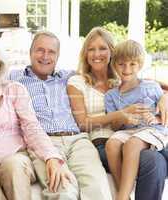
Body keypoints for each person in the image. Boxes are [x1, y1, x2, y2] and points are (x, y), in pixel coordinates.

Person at [0, 35, 78, 200]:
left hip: (16, 157)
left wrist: (52, 157)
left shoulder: (14, 90)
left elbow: (32, 128)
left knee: (13, 165)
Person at [67, 27, 168, 200]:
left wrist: (165, 97)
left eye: (102, 48)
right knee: (153, 161)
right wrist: (121, 114)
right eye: (91, 49)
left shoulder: (123, 77)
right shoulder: (77, 81)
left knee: (155, 157)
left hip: (138, 133)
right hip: (104, 141)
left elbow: (155, 87)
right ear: (85, 53)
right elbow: (83, 123)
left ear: (113, 53)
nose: (96, 54)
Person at [9, 31, 112, 200]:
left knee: (96, 187)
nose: (45, 56)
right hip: (44, 143)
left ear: (58, 56)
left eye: (51, 52)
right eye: (40, 50)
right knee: (63, 190)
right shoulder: (14, 78)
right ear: (30, 52)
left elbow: (129, 79)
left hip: (78, 140)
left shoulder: (69, 77)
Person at [105, 40, 168, 200]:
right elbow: (115, 126)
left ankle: (121, 197)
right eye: (121, 64)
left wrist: (155, 117)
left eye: (132, 64)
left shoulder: (151, 87)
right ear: (114, 65)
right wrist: (124, 117)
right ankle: (125, 194)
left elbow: (164, 116)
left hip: (153, 130)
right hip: (129, 131)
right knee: (111, 144)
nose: (126, 69)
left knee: (132, 144)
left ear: (140, 65)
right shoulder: (111, 95)